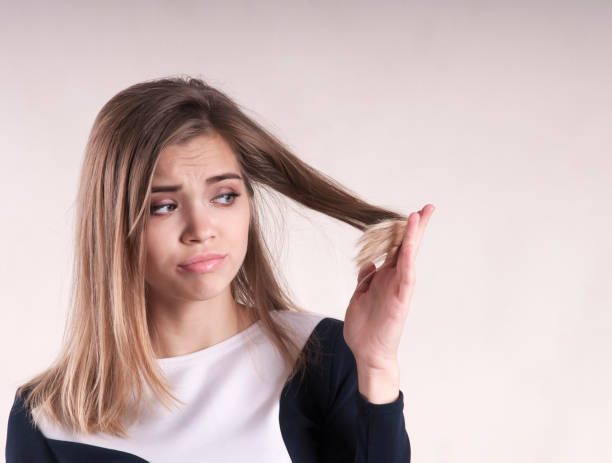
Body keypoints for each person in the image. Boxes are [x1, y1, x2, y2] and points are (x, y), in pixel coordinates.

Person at [5, 75, 434, 462]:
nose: (201, 229)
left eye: (224, 196)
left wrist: (376, 367)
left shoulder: (321, 357)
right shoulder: (46, 418)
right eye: (164, 206)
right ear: (114, 226)